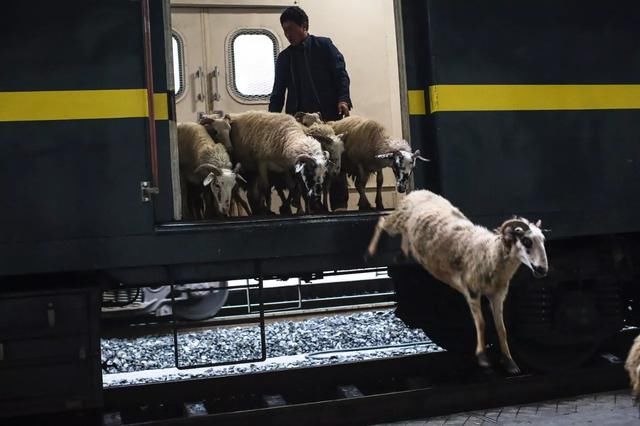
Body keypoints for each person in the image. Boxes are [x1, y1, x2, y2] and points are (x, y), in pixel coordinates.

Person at [269, 6, 352, 210]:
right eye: (284, 30)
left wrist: (343, 99)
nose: (288, 35)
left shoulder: (324, 46)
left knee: (335, 160)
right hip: (299, 123)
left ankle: (340, 205)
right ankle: (310, 204)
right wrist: (271, 121)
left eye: (291, 29)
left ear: (304, 26)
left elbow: (341, 74)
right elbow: (278, 92)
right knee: (305, 163)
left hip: (329, 117)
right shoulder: (285, 58)